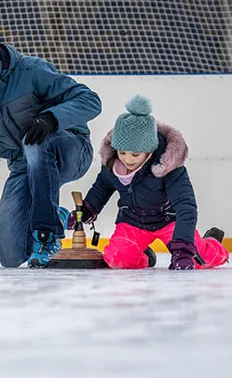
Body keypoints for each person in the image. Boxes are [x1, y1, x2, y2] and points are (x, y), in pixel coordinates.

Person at [0, 27, 101, 268]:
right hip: (23, 166)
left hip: (70, 151)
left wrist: (50, 119)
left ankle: (48, 234)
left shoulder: (31, 71)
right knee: (10, 256)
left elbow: (90, 101)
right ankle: (51, 214)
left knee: (35, 142)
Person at [67, 94, 229, 270]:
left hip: (168, 220)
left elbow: (186, 206)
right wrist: (88, 209)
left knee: (199, 259)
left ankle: (212, 243)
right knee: (118, 259)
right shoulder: (113, 163)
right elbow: (102, 188)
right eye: (122, 152)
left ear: (149, 150)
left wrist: (183, 249)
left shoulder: (169, 167)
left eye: (135, 154)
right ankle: (144, 256)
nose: (127, 159)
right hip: (132, 221)